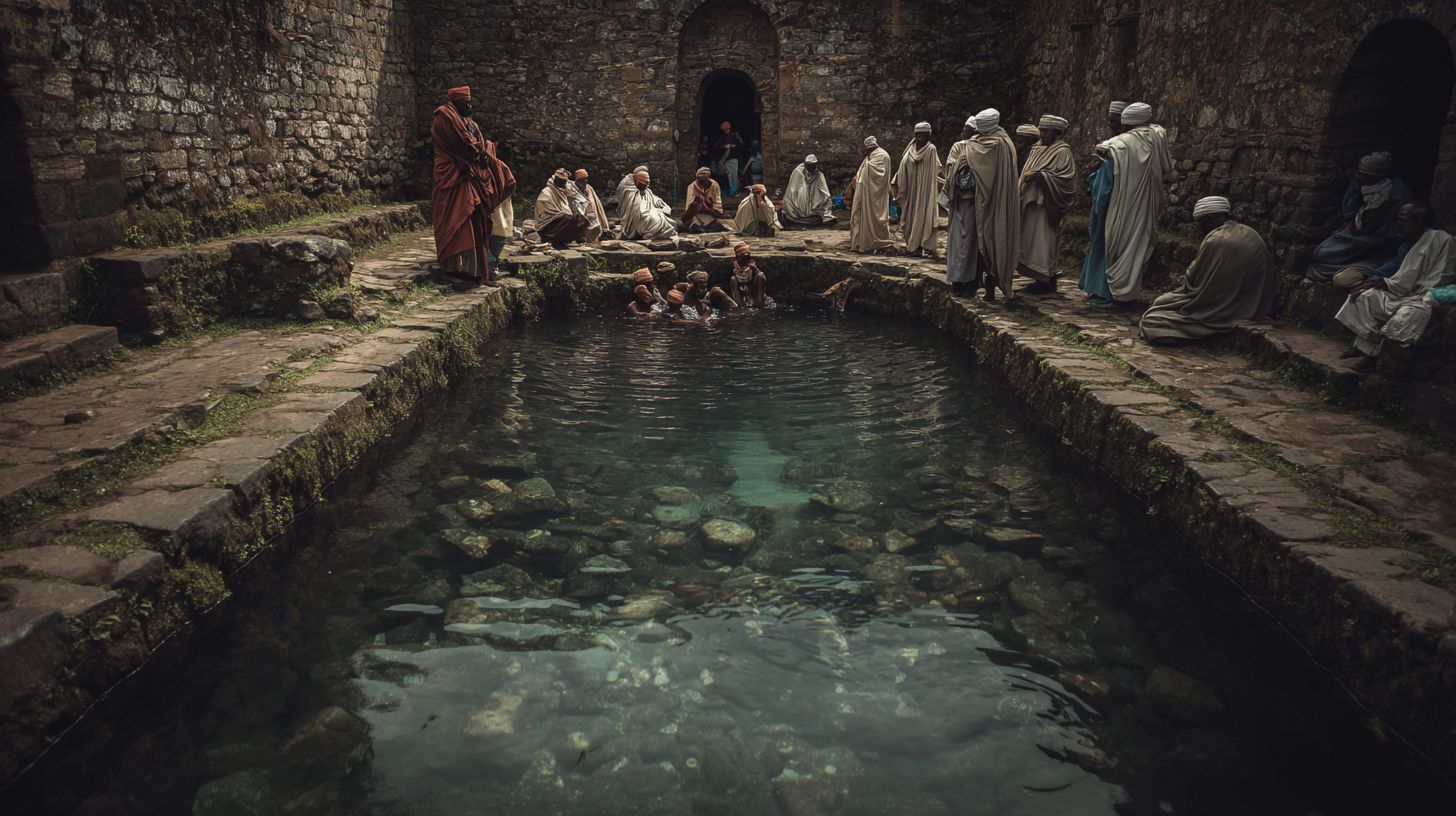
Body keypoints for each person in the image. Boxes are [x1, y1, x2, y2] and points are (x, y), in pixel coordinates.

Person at [1139, 197, 1280, 346]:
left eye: (1199, 222)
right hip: (1259, 305)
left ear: (1209, 220)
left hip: (1227, 307)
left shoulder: (1216, 239)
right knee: (1162, 303)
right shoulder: (1249, 231)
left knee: (1152, 319)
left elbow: (1194, 283)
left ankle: (1189, 334)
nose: (1199, 228)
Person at [1335, 202, 1454, 372]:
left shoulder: (1442, 241)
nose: (1397, 225)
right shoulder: (1407, 245)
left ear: (1419, 222)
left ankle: (1385, 363)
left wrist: (1386, 283)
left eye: (1402, 221)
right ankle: (1365, 351)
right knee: (1363, 297)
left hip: (1424, 296)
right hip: (1400, 290)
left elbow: (1441, 275)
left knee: (1411, 313)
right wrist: (1374, 282)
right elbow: (1394, 270)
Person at [1089, 102, 1172, 306]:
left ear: (1125, 125)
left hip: (1121, 204)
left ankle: (1111, 291)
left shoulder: (1117, 145)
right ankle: (1128, 291)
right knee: (1136, 244)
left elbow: (1104, 185)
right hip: (1147, 204)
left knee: (1116, 242)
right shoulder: (1157, 137)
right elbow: (1167, 165)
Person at [431, 86, 507, 289]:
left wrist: (485, 148)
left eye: (471, 101)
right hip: (452, 176)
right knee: (455, 221)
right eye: (467, 102)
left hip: (469, 177)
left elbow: (476, 145)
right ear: (455, 102)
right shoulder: (444, 118)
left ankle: (471, 271)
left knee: (473, 222)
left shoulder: (469, 122)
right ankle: (451, 269)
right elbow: (465, 147)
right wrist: (485, 149)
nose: (471, 105)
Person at [1307, 151, 1413, 286]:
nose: (1361, 177)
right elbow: (1348, 213)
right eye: (1360, 172)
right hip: (1356, 236)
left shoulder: (1397, 194)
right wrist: (1357, 188)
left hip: (1376, 245)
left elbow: (1388, 235)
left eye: (1366, 174)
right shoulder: (1364, 185)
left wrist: (1357, 242)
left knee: (1334, 264)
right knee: (1320, 256)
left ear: (1380, 175)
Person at [960, 108, 1019, 302]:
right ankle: (987, 289)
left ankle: (989, 290)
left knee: (989, 243)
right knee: (988, 243)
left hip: (993, 202)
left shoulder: (993, 144)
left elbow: (976, 163)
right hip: (992, 201)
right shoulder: (1005, 141)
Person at [1017, 115, 1077, 294]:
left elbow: (1067, 179)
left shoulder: (1062, 151)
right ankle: (1038, 278)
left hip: (1045, 204)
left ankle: (1047, 280)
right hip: (1030, 203)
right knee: (1030, 242)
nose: (1042, 134)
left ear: (1057, 133)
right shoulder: (1036, 149)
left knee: (1044, 242)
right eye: (1041, 130)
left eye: (1046, 131)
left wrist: (1041, 176)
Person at [942, 116, 981, 296]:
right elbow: (951, 166)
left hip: (976, 204)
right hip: (959, 202)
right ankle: (957, 281)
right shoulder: (959, 147)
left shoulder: (984, 147)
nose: (963, 131)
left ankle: (971, 282)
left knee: (973, 244)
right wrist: (963, 165)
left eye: (966, 128)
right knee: (958, 244)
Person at [893, 122, 943, 257]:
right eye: (918, 135)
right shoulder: (909, 151)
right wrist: (898, 191)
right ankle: (914, 246)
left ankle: (923, 246)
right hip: (909, 193)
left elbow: (935, 171)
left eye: (923, 135)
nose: (920, 137)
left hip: (925, 193)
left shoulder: (931, 150)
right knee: (909, 219)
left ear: (928, 135)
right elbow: (900, 172)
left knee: (923, 216)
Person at [848, 136, 894, 253]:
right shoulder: (869, 157)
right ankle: (861, 241)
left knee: (874, 215)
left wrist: (863, 173)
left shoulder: (881, 155)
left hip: (875, 194)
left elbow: (880, 175)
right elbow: (863, 170)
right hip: (865, 192)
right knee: (862, 215)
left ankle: (875, 241)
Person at [534, 168, 592, 248]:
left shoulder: (564, 191)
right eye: (562, 181)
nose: (564, 184)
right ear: (557, 181)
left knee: (583, 220)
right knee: (567, 218)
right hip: (547, 224)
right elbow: (549, 212)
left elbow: (573, 204)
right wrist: (564, 214)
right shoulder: (546, 192)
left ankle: (565, 240)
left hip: (561, 217)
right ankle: (553, 240)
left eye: (565, 181)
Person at [484, 145, 517, 283]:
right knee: (492, 238)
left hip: (497, 208)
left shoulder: (497, 167)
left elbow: (511, 183)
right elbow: (511, 183)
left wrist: (496, 198)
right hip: (493, 208)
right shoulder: (479, 168)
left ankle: (490, 267)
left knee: (495, 237)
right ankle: (489, 267)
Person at [618, 170, 678, 241]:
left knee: (663, 219)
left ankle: (659, 230)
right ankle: (650, 232)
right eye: (643, 185)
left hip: (650, 212)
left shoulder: (646, 191)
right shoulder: (629, 191)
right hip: (639, 216)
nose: (645, 187)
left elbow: (653, 198)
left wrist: (660, 203)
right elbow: (638, 208)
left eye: (646, 185)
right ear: (636, 182)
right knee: (652, 219)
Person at [782, 155, 835, 228]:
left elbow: (825, 193)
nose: (812, 168)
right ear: (805, 165)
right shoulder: (798, 173)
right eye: (810, 166)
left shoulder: (818, 174)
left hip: (812, 209)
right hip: (797, 207)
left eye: (813, 165)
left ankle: (808, 219)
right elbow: (795, 191)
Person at [682, 167, 734, 233]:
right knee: (695, 226)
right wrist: (695, 204)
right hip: (695, 216)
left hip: (710, 217)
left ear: (708, 178)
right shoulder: (692, 187)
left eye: (703, 180)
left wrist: (704, 207)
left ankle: (707, 228)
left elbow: (718, 212)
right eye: (698, 180)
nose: (700, 183)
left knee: (724, 225)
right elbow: (687, 213)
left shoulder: (714, 186)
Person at [573, 170, 609, 244]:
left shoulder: (588, 188)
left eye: (586, 178)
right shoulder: (573, 188)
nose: (585, 181)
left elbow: (593, 201)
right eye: (583, 179)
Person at [713, 122, 744, 196]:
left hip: (732, 157)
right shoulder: (722, 137)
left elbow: (741, 144)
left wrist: (732, 146)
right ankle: (729, 190)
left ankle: (734, 191)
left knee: (732, 175)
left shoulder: (734, 135)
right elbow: (717, 146)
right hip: (724, 159)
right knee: (725, 175)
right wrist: (724, 147)